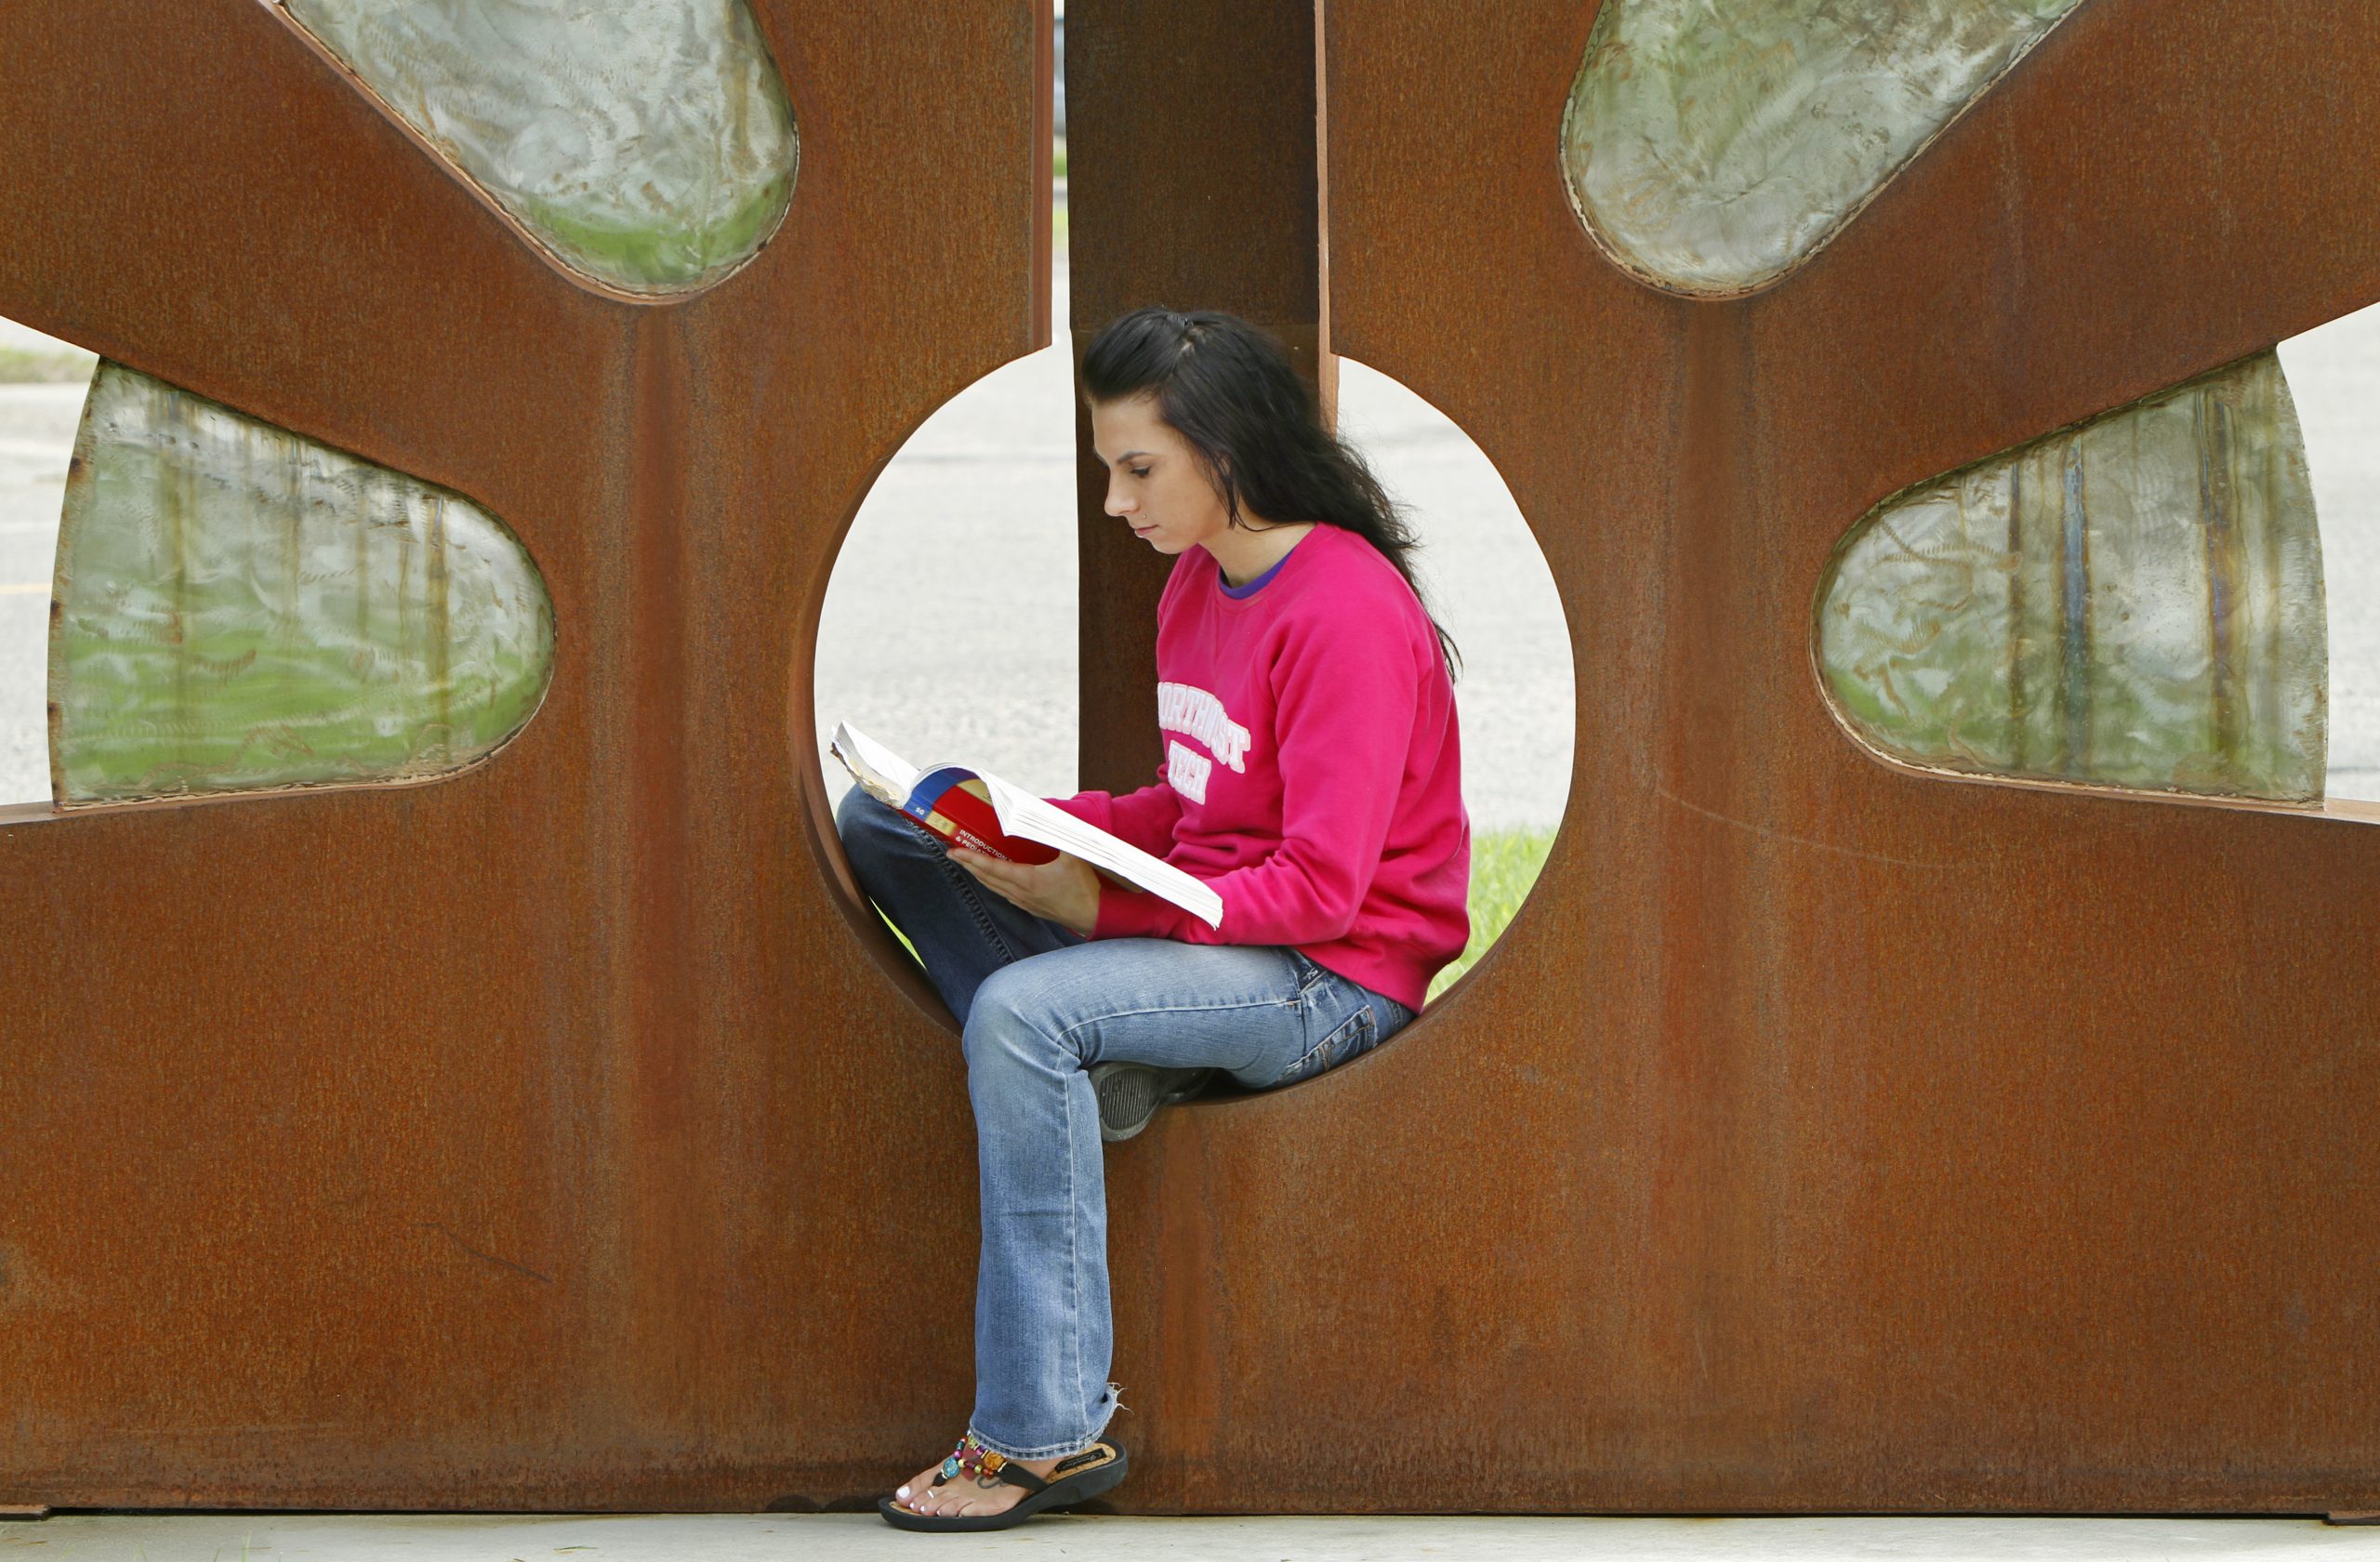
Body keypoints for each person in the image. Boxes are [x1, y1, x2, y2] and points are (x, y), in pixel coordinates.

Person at [838, 306, 1471, 1532]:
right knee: (888, 834)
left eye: (1141, 468)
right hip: (1225, 939)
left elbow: (1324, 890)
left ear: (1225, 451)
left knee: (1024, 1015)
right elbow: (1191, 814)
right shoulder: (1196, 584)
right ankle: (1111, 1067)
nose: (1119, 500)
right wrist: (1024, 820)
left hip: (1332, 976)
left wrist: (1094, 901)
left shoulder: (1340, 611)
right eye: (1106, 469)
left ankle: (1043, 1435)